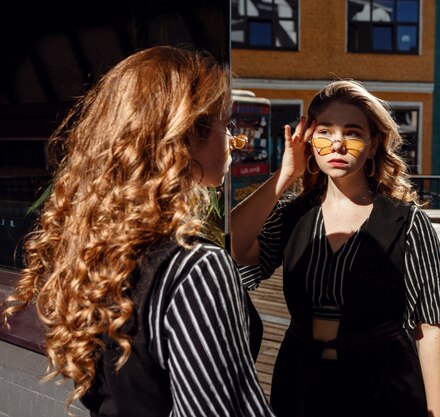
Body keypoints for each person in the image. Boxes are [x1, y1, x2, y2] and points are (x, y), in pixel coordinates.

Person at [1, 46, 274, 417]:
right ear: (185, 136)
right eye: (226, 125)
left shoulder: (93, 253)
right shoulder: (195, 266)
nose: (232, 142)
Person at [231, 80, 440, 417]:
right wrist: (284, 175)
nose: (336, 144)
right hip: (301, 384)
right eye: (325, 132)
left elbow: (432, 326)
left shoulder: (406, 222)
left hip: (384, 386)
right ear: (309, 141)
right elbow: (232, 248)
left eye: (352, 132)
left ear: (373, 142)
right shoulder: (293, 215)